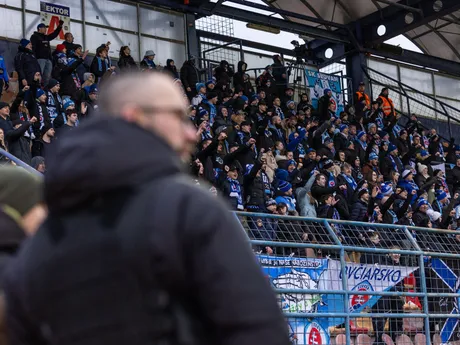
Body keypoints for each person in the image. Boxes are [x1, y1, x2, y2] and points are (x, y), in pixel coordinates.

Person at [4, 72, 289, 345]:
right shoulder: (187, 209)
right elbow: (259, 329)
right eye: (178, 117)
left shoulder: (40, 241)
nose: (191, 133)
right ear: (136, 117)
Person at [30, 21, 64, 86]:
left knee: (47, 77)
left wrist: (59, 26)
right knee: (39, 74)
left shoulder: (46, 37)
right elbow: (33, 48)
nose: (46, 29)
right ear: (39, 28)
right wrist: (34, 57)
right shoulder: (34, 36)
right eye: (44, 28)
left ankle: (45, 90)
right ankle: (37, 88)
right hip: (40, 59)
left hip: (48, 59)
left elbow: (54, 34)